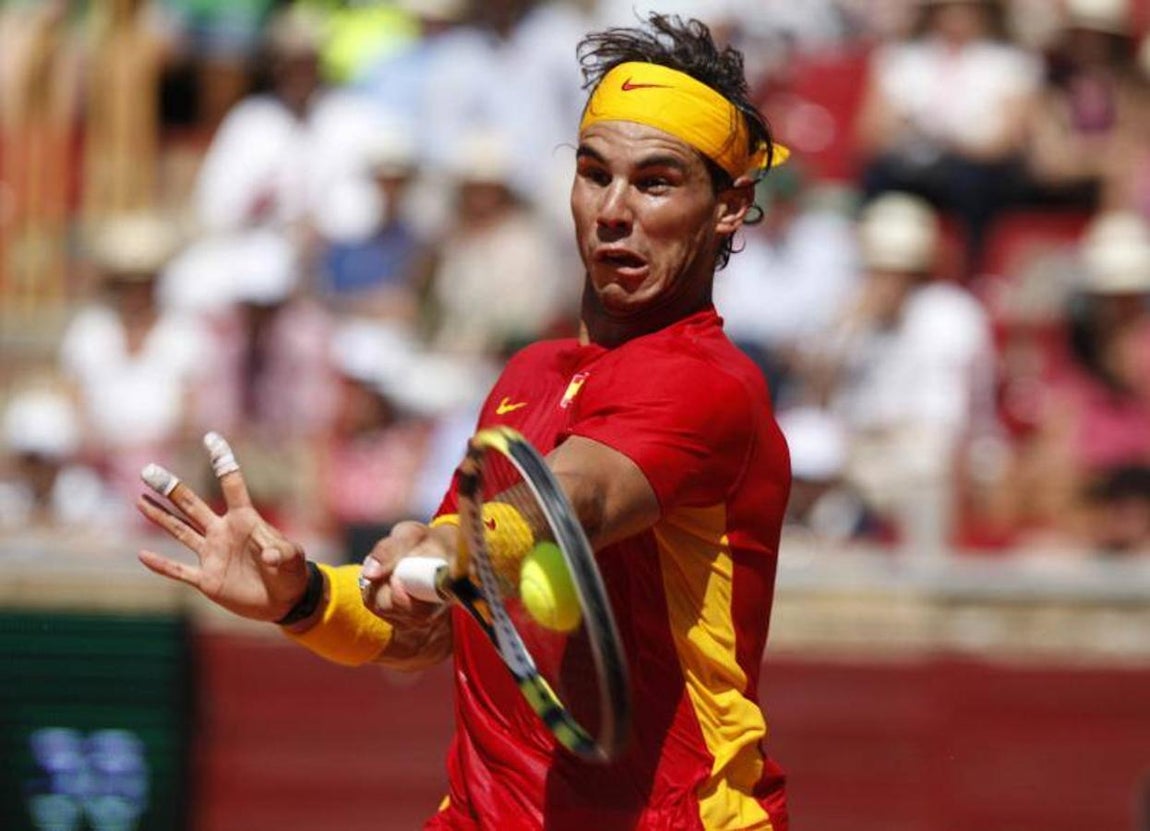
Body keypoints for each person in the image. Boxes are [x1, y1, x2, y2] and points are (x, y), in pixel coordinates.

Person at [136, 14, 791, 830]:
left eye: (655, 183)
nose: (612, 210)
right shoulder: (526, 377)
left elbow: (577, 500)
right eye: (594, 174)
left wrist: (450, 547)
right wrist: (302, 597)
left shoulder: (708, 383)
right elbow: (431, 630)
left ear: (729, 207)